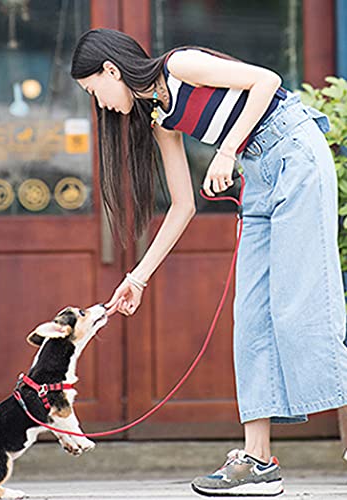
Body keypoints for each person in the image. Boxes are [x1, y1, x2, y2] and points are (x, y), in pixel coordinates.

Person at [70, 28, 347, 497]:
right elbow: (182, 206)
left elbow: (266, 80)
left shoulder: (179, 66)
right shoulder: (161, 118)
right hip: (258, 180)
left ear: (111, 71)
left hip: (296, 154)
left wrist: (226, 149)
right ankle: (258, 461)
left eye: (94, 90)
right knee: (251, 320)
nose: (99, 103)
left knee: (302, 311)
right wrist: (136, 279)